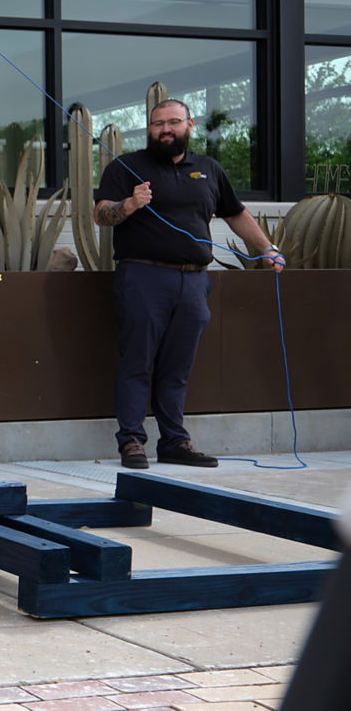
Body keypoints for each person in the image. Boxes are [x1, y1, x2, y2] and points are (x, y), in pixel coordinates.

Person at [93, 97, 284, 469]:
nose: (165, 129)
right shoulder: (127, 167)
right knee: (137, 361)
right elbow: (101, 215)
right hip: (143, 277)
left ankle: (175, 442)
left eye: (173, 122)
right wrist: (131, 205)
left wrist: (266, 248)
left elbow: (235, 214)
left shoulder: (209, 169)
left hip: (194, 281)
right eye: (157, 124)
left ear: (189, 125)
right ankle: (132, 441)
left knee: (177, 367)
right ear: (149, 129)